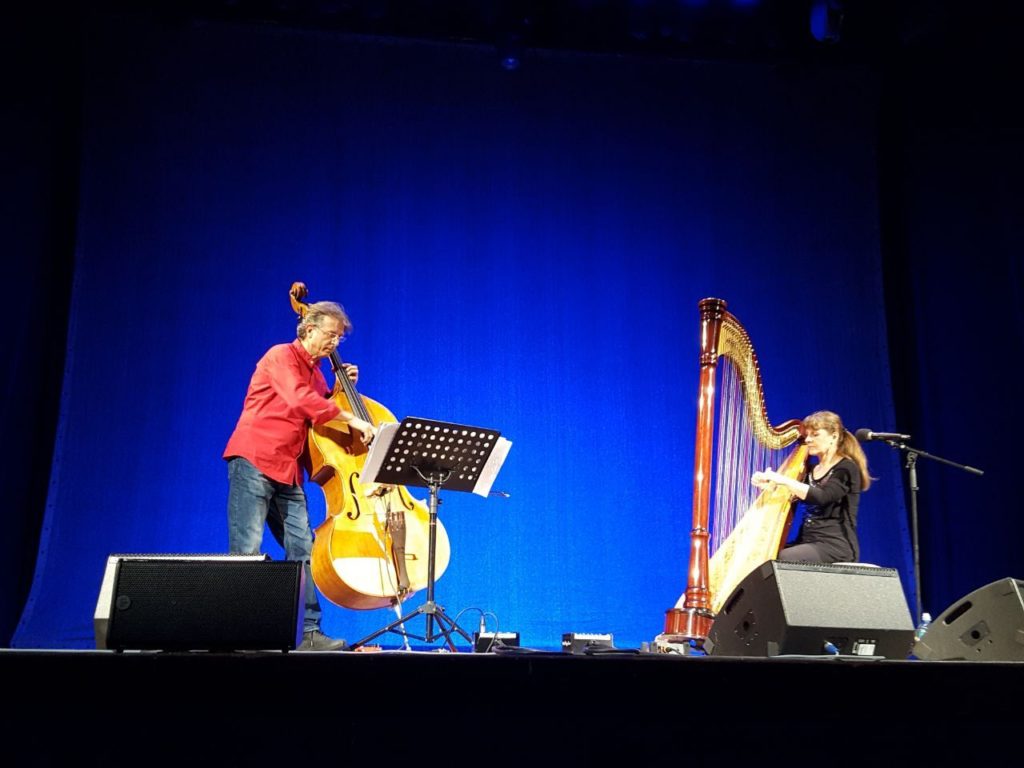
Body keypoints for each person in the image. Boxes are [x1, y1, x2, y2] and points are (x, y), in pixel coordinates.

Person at [223, 299, 375, 651]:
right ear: (309, 330)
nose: (335, 343)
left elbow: (320, 414)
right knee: (247, 549)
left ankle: (308, 633)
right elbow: (301, 401)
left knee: (305, 548)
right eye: (331, 335)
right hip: (255, 460)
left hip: (289, 471)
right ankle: (238, 632)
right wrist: (351, 417)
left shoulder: (317, 373)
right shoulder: (280, 356)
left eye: (339, 339)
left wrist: (339, 390)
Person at [751, 410, 871, 564]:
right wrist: (769, 486)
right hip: (807, 541)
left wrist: (782, 479)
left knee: (784, 559)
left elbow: (822, 497)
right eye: (807, 435)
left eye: (815, 435)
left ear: (834, 436)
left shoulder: (846, 468)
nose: (807, 439)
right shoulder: (810, 470)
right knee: (762, 557)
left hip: (834, 545)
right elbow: (795, 495)